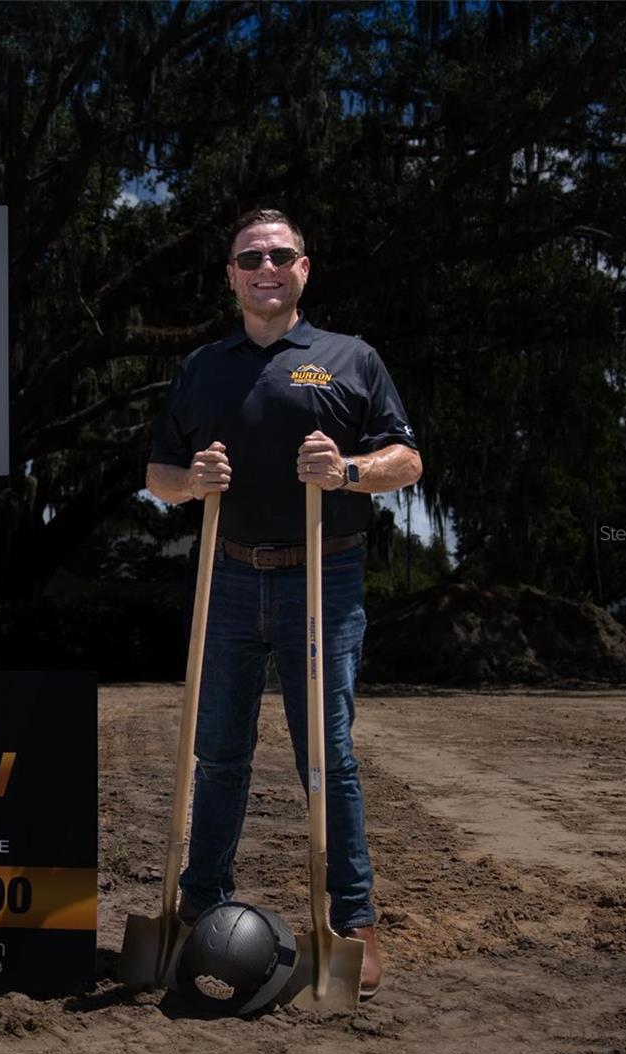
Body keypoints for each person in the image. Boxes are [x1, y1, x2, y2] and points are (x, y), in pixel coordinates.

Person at [145, 209, 423, 1000]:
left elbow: (407, 459)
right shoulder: (203, 367)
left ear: (304, 267)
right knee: (217, 753)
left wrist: (348, 472)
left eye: (279, 254)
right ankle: (199, 902)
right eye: (249, 258)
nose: (265, 267)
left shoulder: (349, 358)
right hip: (228, 575)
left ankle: (351, 921)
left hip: (323, 575)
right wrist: (189, 482)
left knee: (326, 756)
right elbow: (158, 474)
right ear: (230, 276)